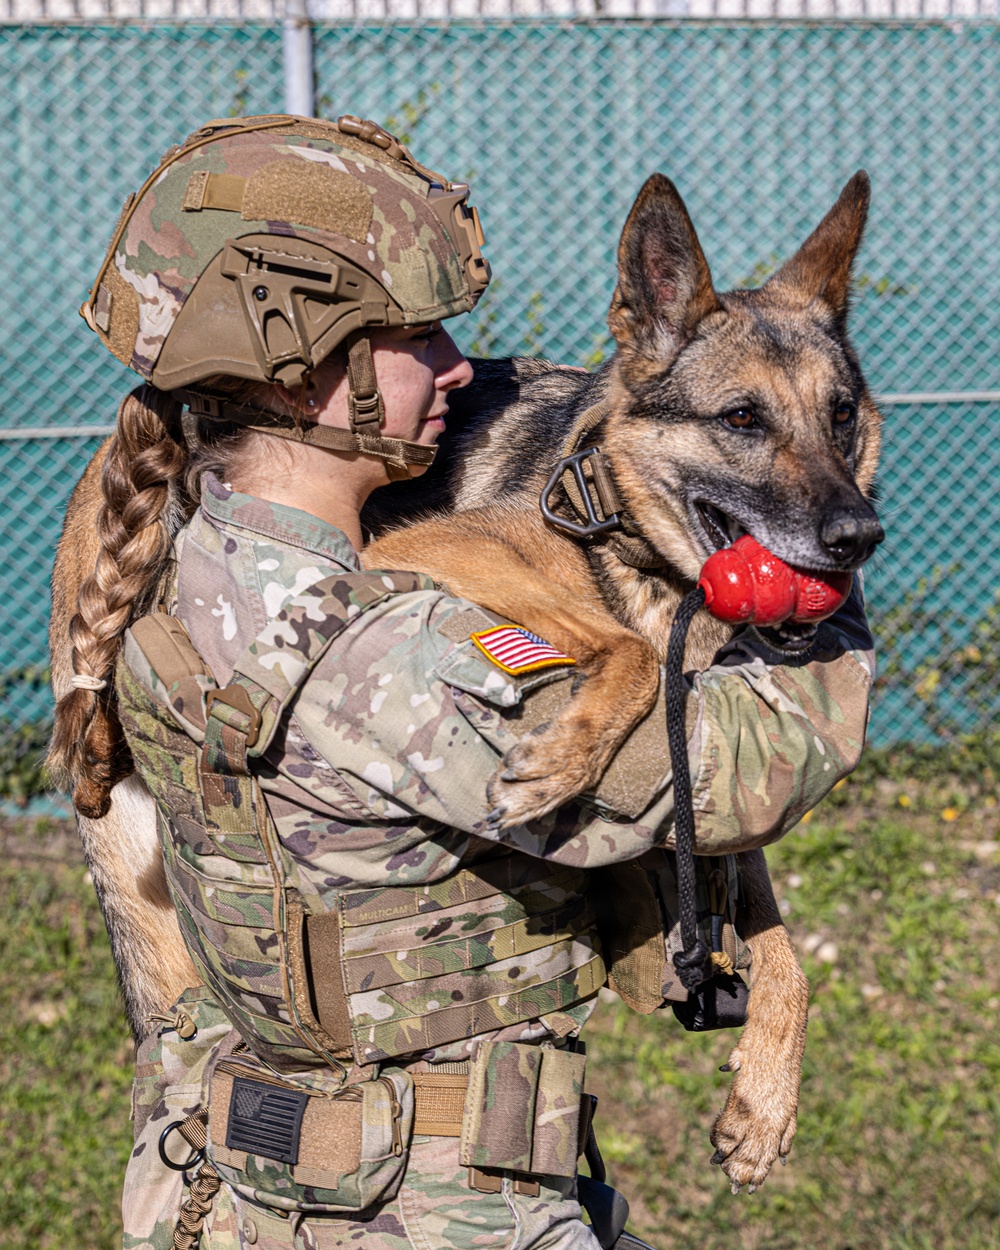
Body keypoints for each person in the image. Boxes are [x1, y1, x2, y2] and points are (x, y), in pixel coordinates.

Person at [51, 114, 874, 1250]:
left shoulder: (190, 575)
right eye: (417, 336)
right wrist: (823, 576)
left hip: (253, 1172)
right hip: (427, 1210)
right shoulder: (394, 653)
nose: (461, 366)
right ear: (303, 371)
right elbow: (728, 778)